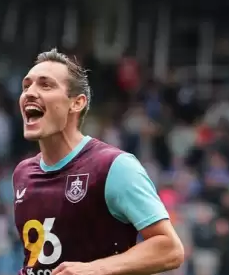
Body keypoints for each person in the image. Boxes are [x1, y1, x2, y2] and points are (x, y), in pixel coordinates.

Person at [12, 49, 184, 275]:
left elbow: (170, 249)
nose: (30, 93)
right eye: (26, 86)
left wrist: (94, 269)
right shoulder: (23, 173)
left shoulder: (114, 167)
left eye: (45, 85)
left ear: (77, 103)